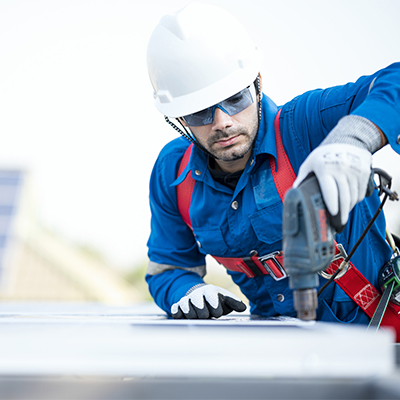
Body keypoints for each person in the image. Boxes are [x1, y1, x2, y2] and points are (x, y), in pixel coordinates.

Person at [145, 3, 400, 326]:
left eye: (235, 98)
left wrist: (355, 140)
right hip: (281, 351)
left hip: (380, 334)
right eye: (200, 112)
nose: (222, 121)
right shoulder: (174, 175)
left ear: (257, 83)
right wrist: (186, 290)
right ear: (179, 119)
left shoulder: (305, 127)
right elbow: (169, 268)